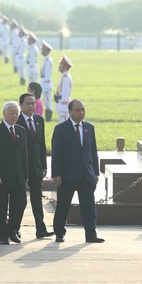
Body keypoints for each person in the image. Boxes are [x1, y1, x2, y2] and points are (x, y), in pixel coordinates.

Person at [51, 99, 104, 243]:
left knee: (89, 207)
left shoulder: (89, 128)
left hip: (87, 175)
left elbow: (93, 151)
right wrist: (56, 174)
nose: (81, 113)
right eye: (77, 110)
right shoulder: (61, 129)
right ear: (69, 112)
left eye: (83, 110)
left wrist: (96, 173)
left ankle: (91, 235)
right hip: (67, 176)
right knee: (63, 205)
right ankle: (59, 233)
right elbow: (56, 153)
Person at [0, 101, 28, 245]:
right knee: (0, 206)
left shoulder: (21, 130)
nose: (14, 116)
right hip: (1, 177)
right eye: (11, 113)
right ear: (4, 114)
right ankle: (2, 233)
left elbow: (24, 155)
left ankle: (13, 230)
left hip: (18, 176)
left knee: (20, 203)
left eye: (16, 113)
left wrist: (25, 175)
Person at [18, 93, 54, 239]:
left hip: (36, 168)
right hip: (21, 169)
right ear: (20, 105)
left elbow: (41, 145)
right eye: (27, 103)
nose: (31, 106)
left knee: (37, 199)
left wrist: (44, 165)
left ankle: (41, 229)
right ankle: (14, 228)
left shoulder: (39, 120)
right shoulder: (17, 120)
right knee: (19, 201)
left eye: (33, 103)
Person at [54, 55, 73, 123]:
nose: (59, 66)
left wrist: (63, 110)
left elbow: (65, 95)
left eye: (60, 64)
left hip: (64, 108)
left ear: (64, 66)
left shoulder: (65, 78)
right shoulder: (64, 76)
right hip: (62, 105)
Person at [40, 41, 54, 121]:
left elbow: (48, 74)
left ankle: (49, 119)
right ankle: (47, 118)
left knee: (48, 102)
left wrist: (45, 85)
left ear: (46, 50)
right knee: (46, 102)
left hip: (47, 84)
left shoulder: (48, 60)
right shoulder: (45, 59)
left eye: (43, 49)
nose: (41, 51)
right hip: (44, 83)